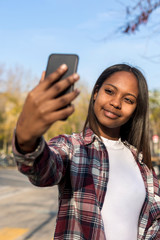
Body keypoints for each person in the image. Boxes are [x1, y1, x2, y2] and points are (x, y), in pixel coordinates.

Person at [12, 63, 160, 240]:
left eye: (128, 100)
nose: (115, 103)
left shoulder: (143, 166)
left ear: (136, 109)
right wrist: (26, 136)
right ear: (96, 92)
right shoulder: (72, 147)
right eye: (110, 91)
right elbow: (42, 169)